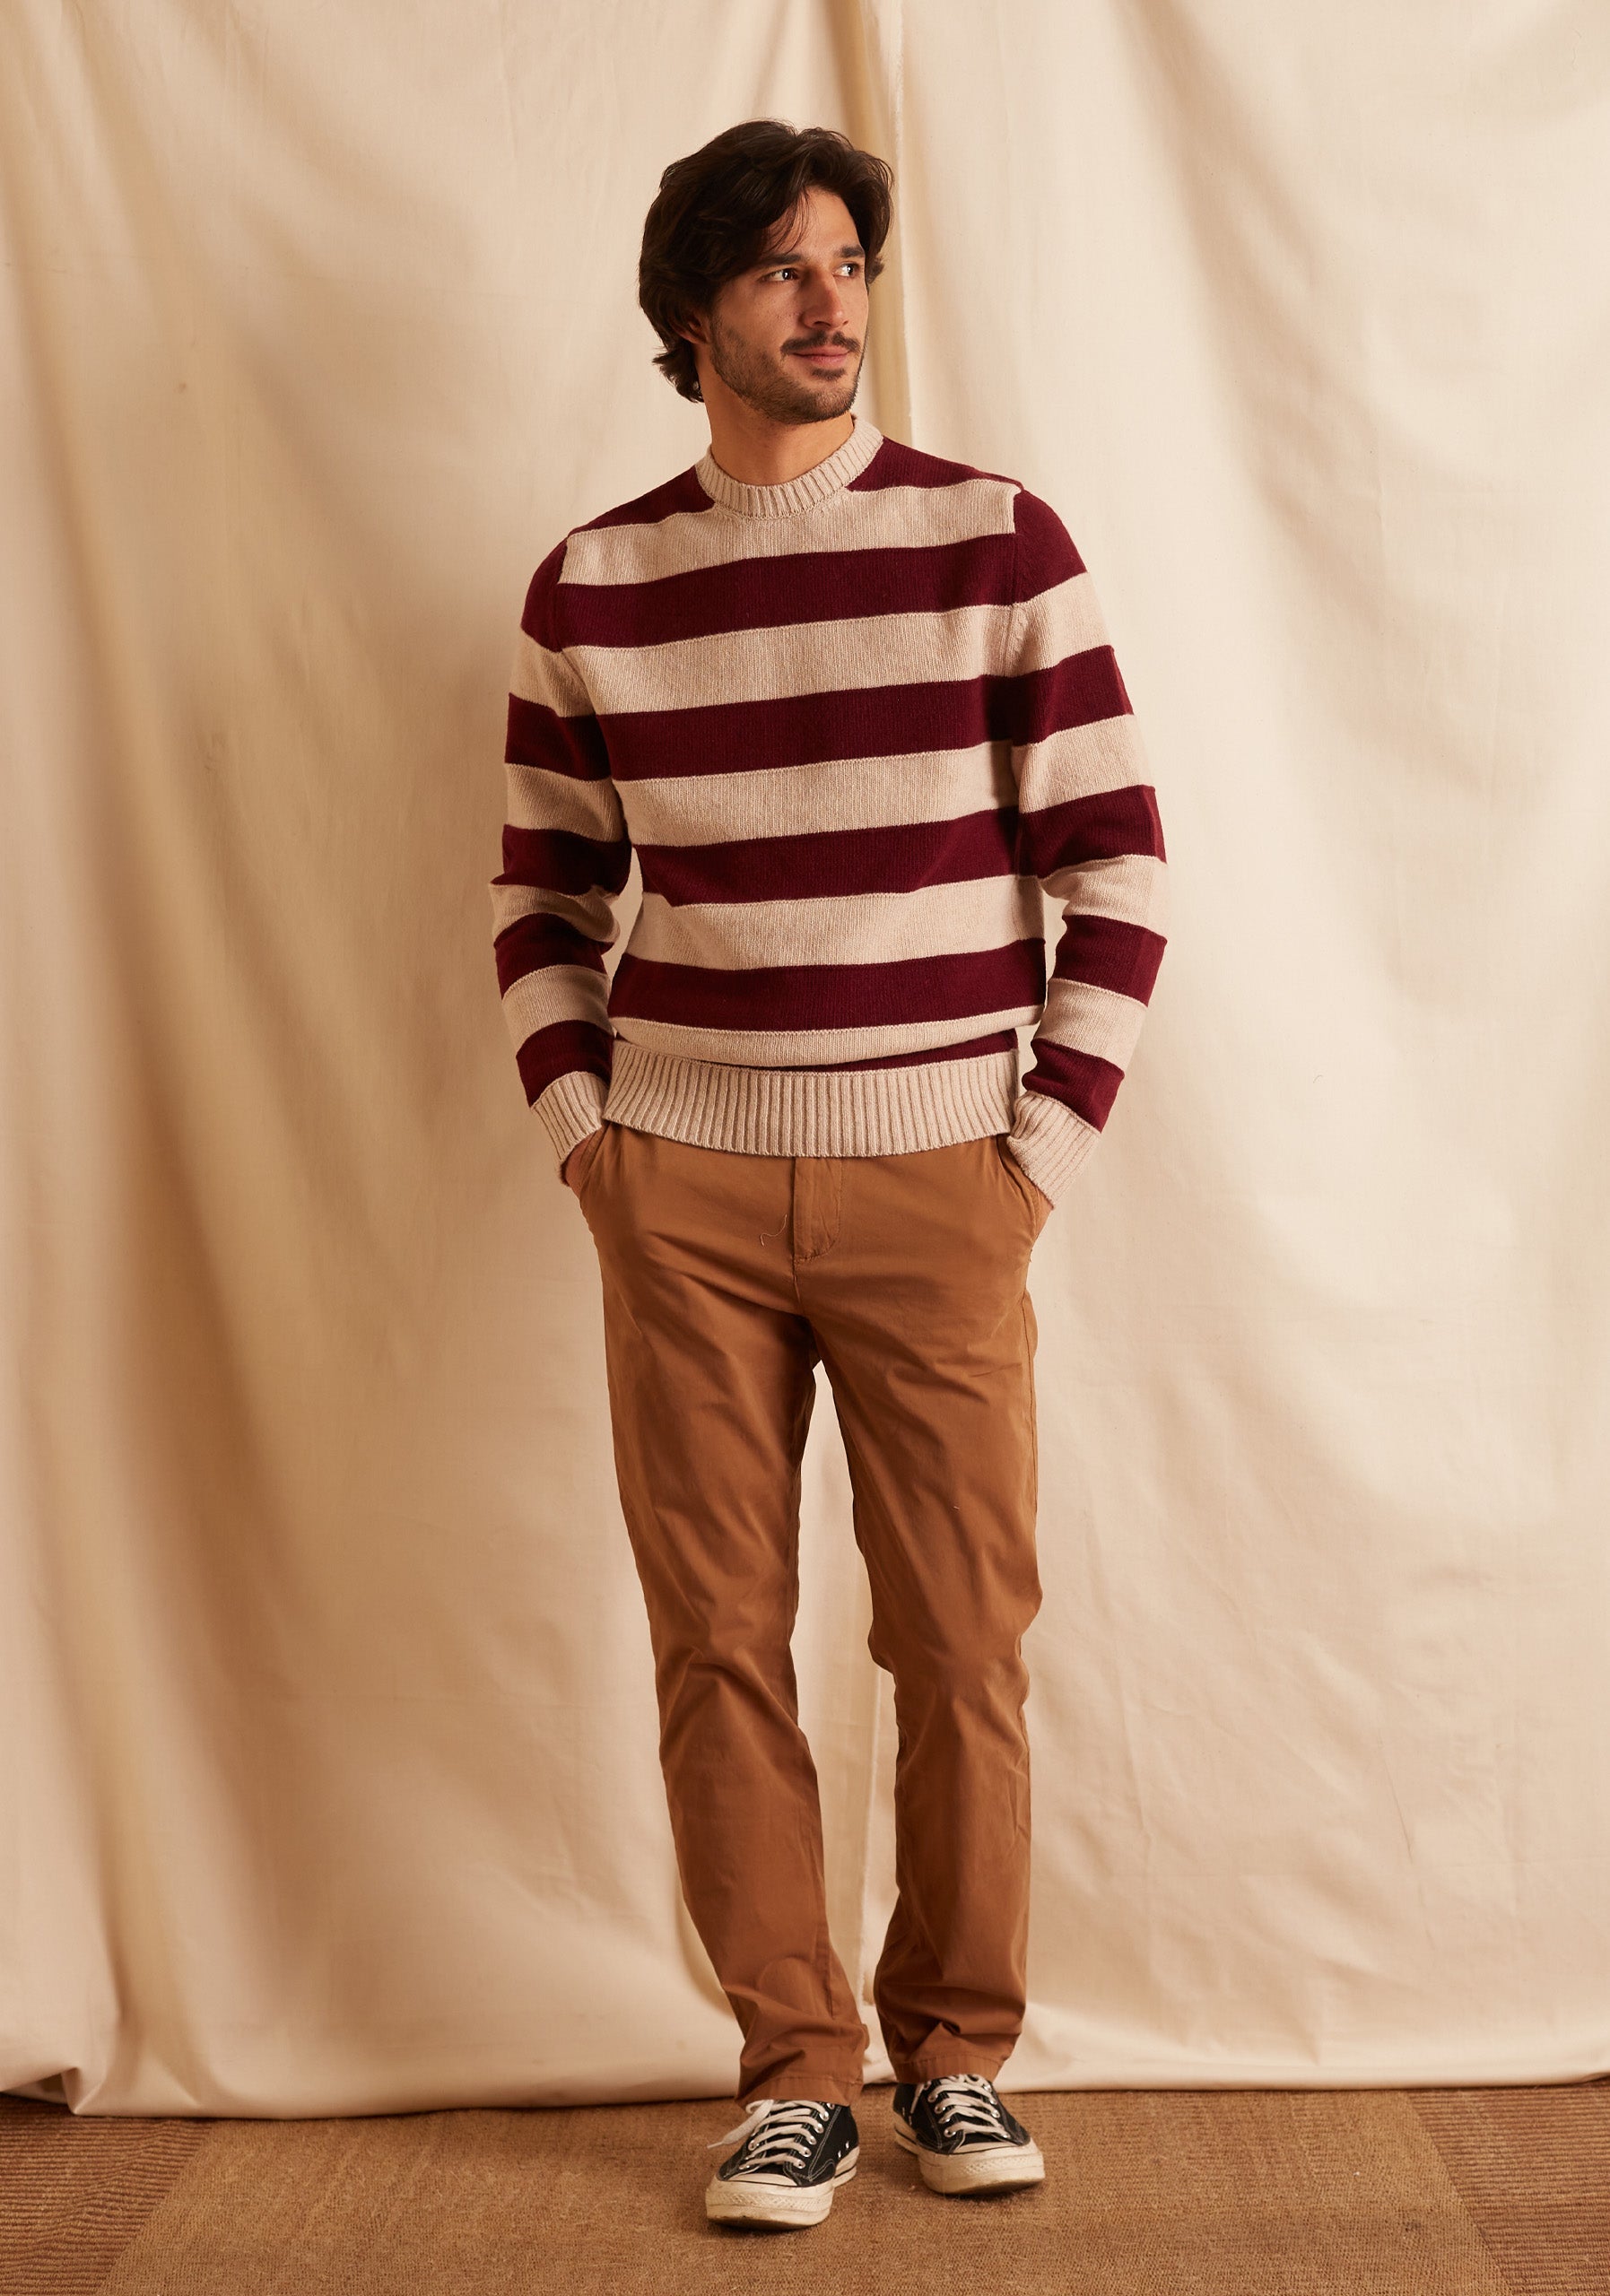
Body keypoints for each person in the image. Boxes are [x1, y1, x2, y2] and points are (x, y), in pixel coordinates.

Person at [490, 117, 1167, 2232]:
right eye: (782, 269)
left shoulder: (995, 541)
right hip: (679, 1190)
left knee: (961, 1640)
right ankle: (791, 2070)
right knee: (717, 1638)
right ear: (690, 310)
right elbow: (540, 897)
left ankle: (952, 2054)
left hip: (939, 1181)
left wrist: (1032, 1153)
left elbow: (1118, 863)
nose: (830, 302)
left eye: (848, 264)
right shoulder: (593, 584)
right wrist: (591, 1142)